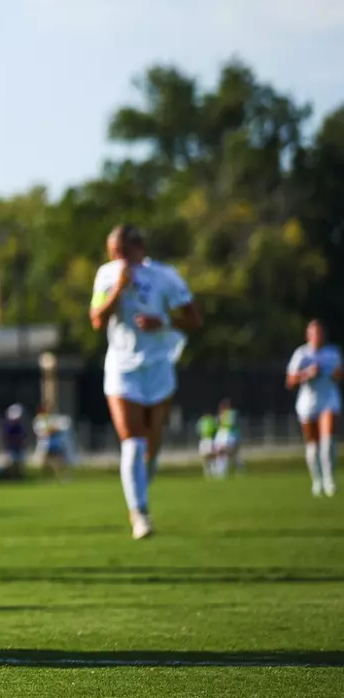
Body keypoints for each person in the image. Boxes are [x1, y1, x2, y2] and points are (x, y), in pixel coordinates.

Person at [88, 224, 202, 539]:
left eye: (123, 251)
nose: (119, 258)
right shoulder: (107, 275)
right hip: (122, 368)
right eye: (113, 253)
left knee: (152, 446)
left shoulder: (165, 276)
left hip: (159, 366)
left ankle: (140, 484)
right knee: (133, 443)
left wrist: (163, 321)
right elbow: (97, 319)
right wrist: (117, 291)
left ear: (140, 247)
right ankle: (140, 514)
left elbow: (194, 319)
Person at [289, 319, 340, 497]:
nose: (317, 336)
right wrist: (308, 373)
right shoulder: (302, 355)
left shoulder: (332, 353)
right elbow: (290, 381)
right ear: (308, 335)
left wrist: (334, 373)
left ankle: (329, 478)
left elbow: (340, 374)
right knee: (313, 444)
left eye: (320, 332)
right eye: (313, 333)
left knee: (328, 441)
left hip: (329, 399)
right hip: (308, 402)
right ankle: (316, 480)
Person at [213, 399, 242, 478]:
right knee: (230, 455)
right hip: (228, 437)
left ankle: (222, 472)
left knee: (224, 453)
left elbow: (227, 423)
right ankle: (238, 470)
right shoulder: (225, 415)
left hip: (230, 437)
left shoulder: (229, 414)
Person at [196, 411, 219, 479]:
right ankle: (209, 472)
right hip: (205, 439)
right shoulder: (204, 421)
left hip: (208, 439)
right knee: (205, 456)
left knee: (210, 456)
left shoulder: (210, 421)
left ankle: (212, 472)